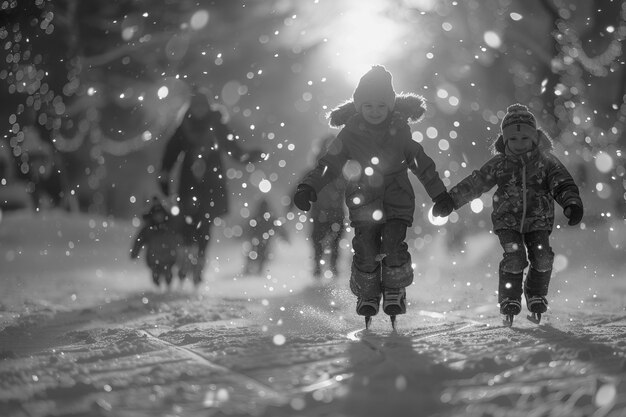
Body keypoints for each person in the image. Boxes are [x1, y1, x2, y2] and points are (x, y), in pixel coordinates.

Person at [293, 65, 453, 328]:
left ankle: (395, 290)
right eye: (368, 105)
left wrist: (440, 195)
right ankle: (367, 294)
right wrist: (308, 187)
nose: (375, 111)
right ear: (358, 107)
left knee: (392, 245)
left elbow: (422, 165)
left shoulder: (401, 132)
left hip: (397, 200)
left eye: (381, 105)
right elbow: (329, 163)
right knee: (365, 247)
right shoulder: (349, 134)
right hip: (363, 200)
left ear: (390, 106)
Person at [433, 103, 584, 324]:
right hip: (508, 221)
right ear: (505, 141)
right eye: (513, 139)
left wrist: (571, 203)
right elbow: (476, 183)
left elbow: (562, 183)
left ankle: (535, 293)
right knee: (514, 258)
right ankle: (510, 299)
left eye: (524, 139)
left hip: (538, 220)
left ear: (534, 138)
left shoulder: (546, 162)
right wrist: (450, 201)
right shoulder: (500, 163)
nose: (519, 144)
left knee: (542, 258)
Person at [158, 88, 265, 285]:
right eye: (195, 106)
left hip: (211, 183)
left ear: (207, 107)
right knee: (187, 225)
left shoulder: (217, 125)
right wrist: (164, 174)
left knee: (204, 225)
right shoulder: (184, 127)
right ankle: (185, 262)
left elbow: (233, 148)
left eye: (202, 105)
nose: (199, 109)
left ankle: (198, 265)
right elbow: (171, 152)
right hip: (189, 182)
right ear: (191, 108)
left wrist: (248, 156)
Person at [303, 134, 347, 279]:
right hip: (321, 213)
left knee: (332, 241)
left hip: (333, 213)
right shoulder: (315, 171)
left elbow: (353, 189)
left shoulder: (341, 172)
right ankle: (320, 267)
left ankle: (331, 267)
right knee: (319, 241)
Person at [242, 198, 290, 275]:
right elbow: (279, 228)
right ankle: (255, 270)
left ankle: (250, 269)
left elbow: (247, 227)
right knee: (261, 254)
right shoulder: (269, 217)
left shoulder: (257, 217)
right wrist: (285, 237)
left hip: (257, 240)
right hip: (264, 240)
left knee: (254, 254)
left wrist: (243, 234)